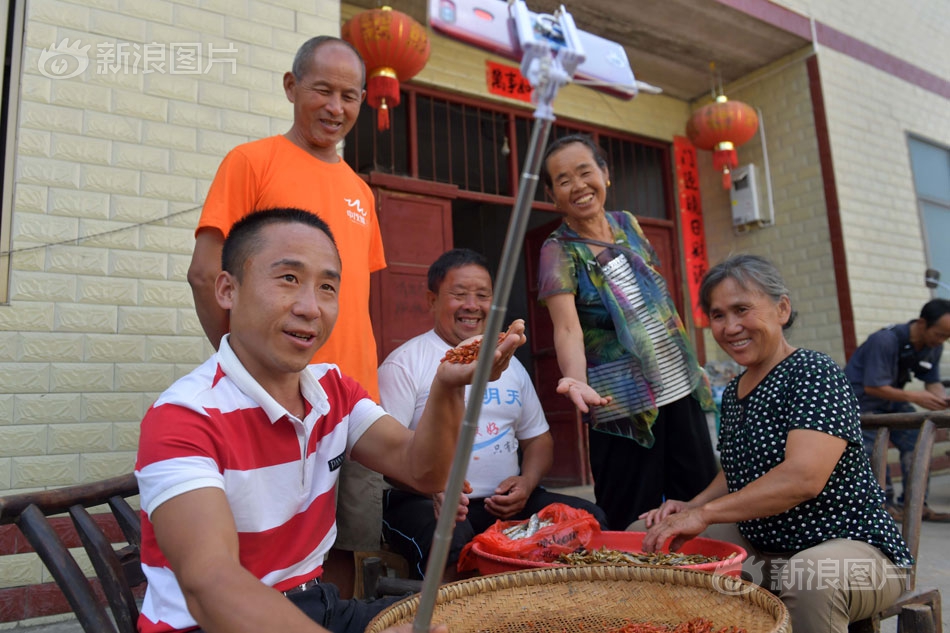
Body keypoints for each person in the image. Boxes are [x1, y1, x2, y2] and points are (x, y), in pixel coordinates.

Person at [137, 208, 526, 633]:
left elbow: (423, 470)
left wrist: (449, 386)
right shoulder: (184, 415)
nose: (310, 308)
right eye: (288, 278)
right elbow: (210, 585)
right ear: (228, 290)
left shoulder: (333, 390)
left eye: (327, 286)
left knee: (474, 619)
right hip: (220, 622)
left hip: (316, 608)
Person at [186, 35, 385, 593]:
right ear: (291, 87)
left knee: (349, 546)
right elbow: (206, 274)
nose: (335, 107)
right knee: (264, 546)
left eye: (349, 96)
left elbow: (359, 300)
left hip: (352, 402)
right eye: (322, 89)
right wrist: (249, 374)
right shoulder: (252, 161)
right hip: (272, 399)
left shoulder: (360, 192)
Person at [639, 254, 912, 633]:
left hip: (859, 555)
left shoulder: (813, 371)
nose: (730, 326)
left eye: (742, 309)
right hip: (768, 550)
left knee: (811, 576)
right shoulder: (735, 391)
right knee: (649, 537)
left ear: (782, 308)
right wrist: (691, 506)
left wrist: (706, 514)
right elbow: (736, 470)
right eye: (718, 315)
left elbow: (803, 477)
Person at [378, 249, 608, 579]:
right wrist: (431, 485)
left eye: (482, 295)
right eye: (459, 295)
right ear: (431, 300)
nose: (472, 305)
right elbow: (388, 453)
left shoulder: (509, 363)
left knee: (589, 518)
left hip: (505, 504)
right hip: (426, 501)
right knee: (454, 544)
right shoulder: (404, 363)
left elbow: (539, 440)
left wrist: (527, 483)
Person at [536, 133, 717, 530]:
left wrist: (694, 362)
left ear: (605, 174)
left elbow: (661, 300)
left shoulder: (627, 225)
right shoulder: (558, 249)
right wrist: (576, 380)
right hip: (620, 402)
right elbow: (567, 327)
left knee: (697, 501)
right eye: (563, 180)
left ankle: (699, 585)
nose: (579, 185)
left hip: (679, 386)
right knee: (628, 514)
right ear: (552, 195)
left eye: (585, 172)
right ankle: (629, 590)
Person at [844, 299, 950, 523]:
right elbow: (874, 386)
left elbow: (932, 382)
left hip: (891, 401)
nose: (942, 341)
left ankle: (915, 505)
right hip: (861, 403)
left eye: (946, 337)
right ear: (922, 323)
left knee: (918, 437)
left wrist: (942, 400)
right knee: (874, 449)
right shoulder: (885, 340)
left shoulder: (933, 347)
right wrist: (916, 396)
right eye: (940, 334)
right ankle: (885, 507)